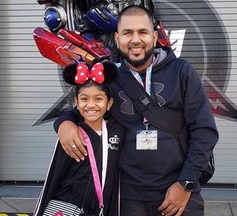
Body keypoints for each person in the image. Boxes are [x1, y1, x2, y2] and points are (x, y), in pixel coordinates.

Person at [54, 5, 219, 216]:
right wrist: (64, 123)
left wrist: (186, 184)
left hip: (177, 192)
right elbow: (87, 108)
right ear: (116, 38)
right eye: (127, 33)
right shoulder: (109, 76)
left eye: (142, 32)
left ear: (155, 35)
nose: (135, 40)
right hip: (127, 196)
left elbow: (204, 131)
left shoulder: (181, 72)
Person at [34, 61, 125, 216]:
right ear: (76, 102)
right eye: (84, 99)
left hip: (99, 208)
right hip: (68, 207)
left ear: (109, 103)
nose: (91, 105)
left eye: (98, 99)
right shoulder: (71, 134)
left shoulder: (118, 131)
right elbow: (56, 175)